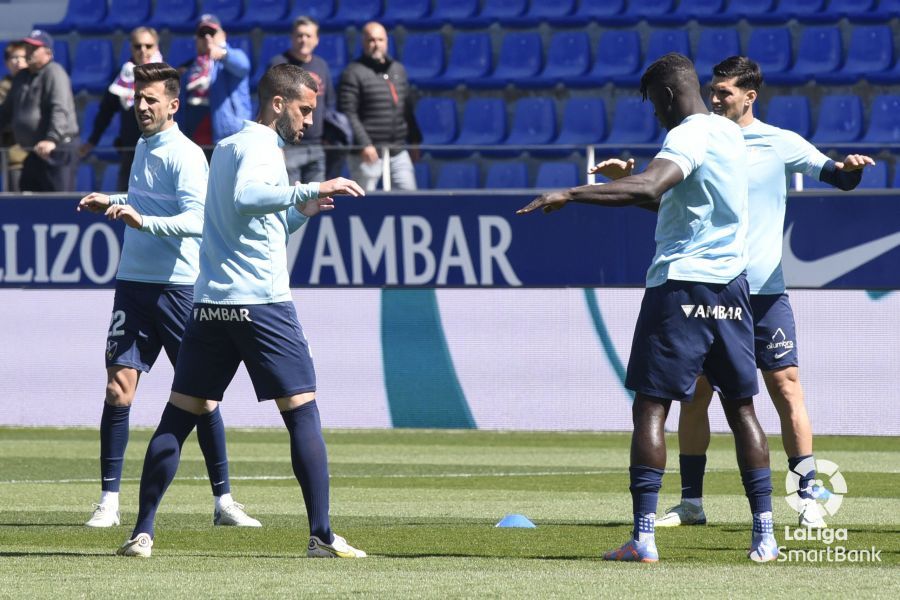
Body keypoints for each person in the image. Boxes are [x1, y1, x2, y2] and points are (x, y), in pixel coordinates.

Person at [519, 53, 777, 563]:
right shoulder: (729, 133)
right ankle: (765, 536)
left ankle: (643, 539)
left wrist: (572, 192)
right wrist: (628, 184)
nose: (656, 117)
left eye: (654, 106)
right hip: (732, 289)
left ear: (664, 95)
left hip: (680, 288)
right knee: (742, 408)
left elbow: (653, 184)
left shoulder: (684, 133)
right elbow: (677, 203)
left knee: (651, 406)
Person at [115, 63, 367, 559]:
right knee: (302, 411)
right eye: (304, 109)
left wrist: (298, 213)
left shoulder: (226, 148)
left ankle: (142, 532)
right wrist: (311, 189)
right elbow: (248, 197)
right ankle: (321, 535)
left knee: (179, 415)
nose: (309, 120)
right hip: (262, 303)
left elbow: (242, 223)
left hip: (210, 306)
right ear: (278, 103)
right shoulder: (260, 148)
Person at [653, 56, 875, 531]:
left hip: (763, 292)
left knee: (785, 387)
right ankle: (691, 502)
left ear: (750, 96)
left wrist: (851, 169)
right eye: (712, 91)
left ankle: (806, 497)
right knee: (697, 395)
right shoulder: (700, 135)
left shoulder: (781, 142)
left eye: (725, 92)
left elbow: (835, 175)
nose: (715, 99)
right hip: (711, 289)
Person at [76, 63, 259, 530]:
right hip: (133, 285)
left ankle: (224, 501)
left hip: (179, 289)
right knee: (118, 389)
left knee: (202, 398)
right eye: (139, 98)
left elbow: (196, 220)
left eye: (151, 99)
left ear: (173, 105)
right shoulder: (142, 146)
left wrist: (141, 221)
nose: (142, 106)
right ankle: (109, 502)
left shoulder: (186, 155)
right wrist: (112, 198)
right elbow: (147, 200)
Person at [339, 21, 420, 191]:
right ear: (363, 43)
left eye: (380, 40)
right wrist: (364, 144)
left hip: (397, 150)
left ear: (387, 42)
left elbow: (407, 108)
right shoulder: (353, 72)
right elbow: (348, 113)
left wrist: (414, 140)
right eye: (371, 40)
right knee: (363, 201)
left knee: (411, 198)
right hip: (367, 153)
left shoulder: (398, 70)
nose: (376, 44)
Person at [80, 27, 163, 192]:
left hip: (160, 152)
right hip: (130, 153)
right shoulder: (122, 77)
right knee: (126, 207)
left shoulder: (166, 75)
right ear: (131, 47)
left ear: (157, 47)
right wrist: (92, 141)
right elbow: (106, 111)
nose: (143, 50)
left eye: (148, 45)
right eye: (138, 46)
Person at [0, 29, 79, 192]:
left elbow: (60, 109)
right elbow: (5, 112)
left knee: (58, 204)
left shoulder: (54, 72)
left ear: (48, 53)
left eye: (34, 48)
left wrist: (52, 139)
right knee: (28, 200)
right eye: (27, 47)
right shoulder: (22, 77)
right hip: (33, 152)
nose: (29, 51)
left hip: (57, 150)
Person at [269, 15, 334, 184]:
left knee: (315, 203)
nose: (303, 40)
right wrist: (276, 146)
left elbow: (329, 104)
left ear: (317, 40)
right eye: (299, 35)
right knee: (291, 204)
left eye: (308, 35)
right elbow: (269, 106)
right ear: (292, 38)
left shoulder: (322, 65)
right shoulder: (279, 64)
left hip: (316, 147)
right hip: (288, 146)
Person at [179, 14, 251, 147]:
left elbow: (243, 65)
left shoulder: (231, 58)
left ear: (223, 35)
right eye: (202, 33)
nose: (207, 37)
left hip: (228, 138)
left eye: (212, 32)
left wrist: (224, 54)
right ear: (196, 39)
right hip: (195, 137)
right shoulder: (190, 68)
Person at [0, 41, 28, 191]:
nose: (19, 62)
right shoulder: (4, 87)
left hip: (38, 157)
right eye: (14, 57)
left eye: (23, 57)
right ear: (7, 62)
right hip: (15, 157)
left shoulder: (37, 82)